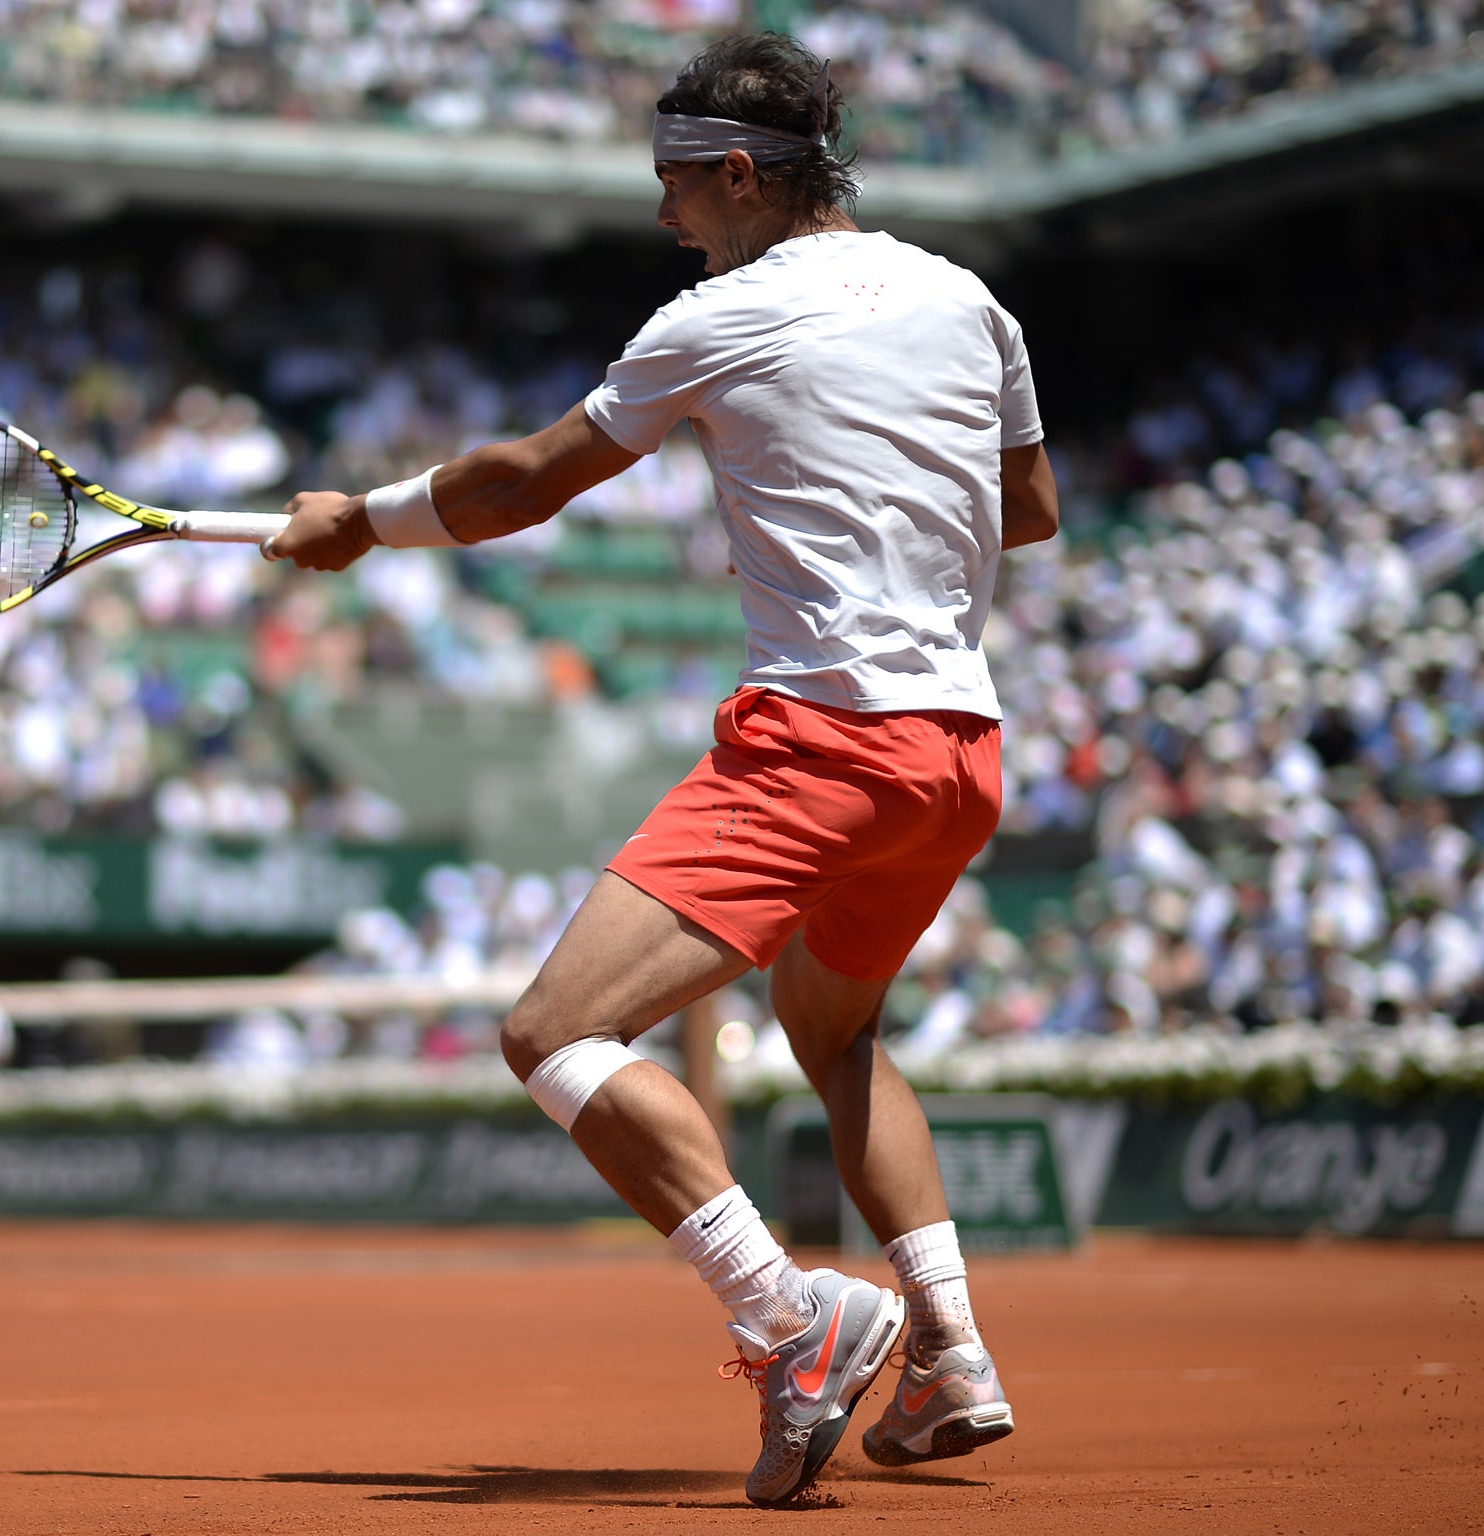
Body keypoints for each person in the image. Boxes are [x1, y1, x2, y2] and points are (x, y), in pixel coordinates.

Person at [267, 31, 1058, 1506]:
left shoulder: (721, 318)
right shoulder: (972, 300)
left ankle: (787, 1315)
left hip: (821, 739)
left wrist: (359, 519)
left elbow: (525, 482)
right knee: (834, 1034)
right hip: (959, 755)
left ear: (743, 176)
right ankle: (951, 1347)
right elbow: (1028, 511)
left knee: (554, 1033)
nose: (663, 219)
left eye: (676, 187)